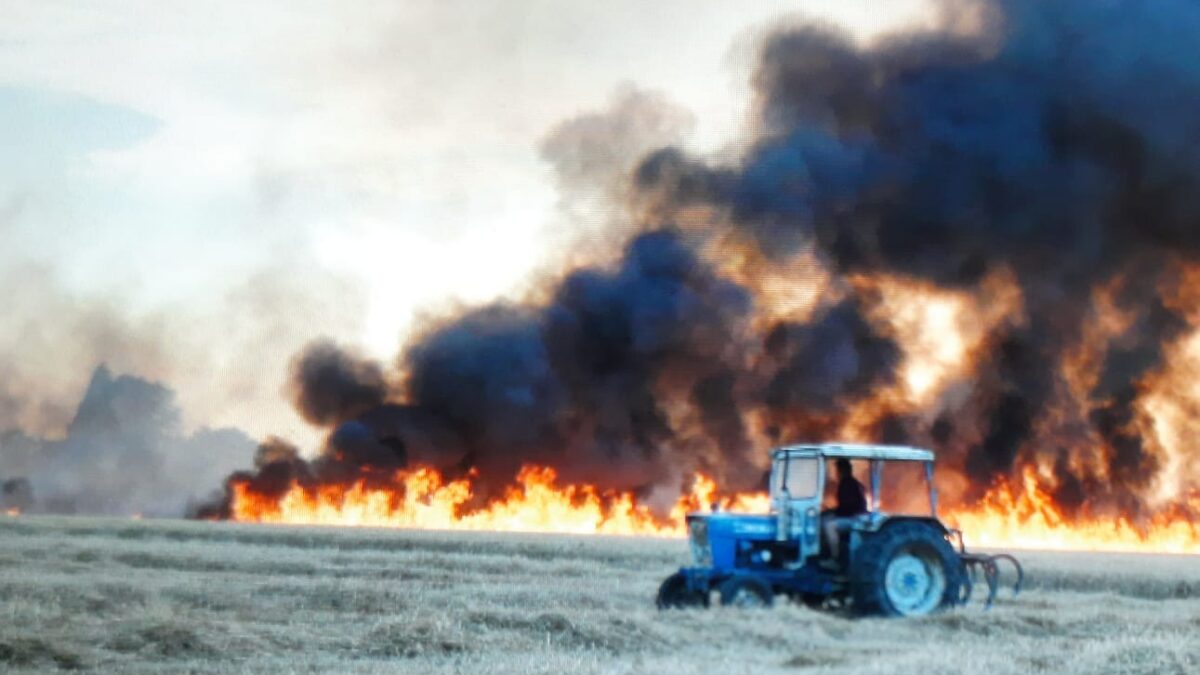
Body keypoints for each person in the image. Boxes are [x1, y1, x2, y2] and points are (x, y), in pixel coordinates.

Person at [822, 458, 868, 567]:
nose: (836, 473)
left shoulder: (849, 484)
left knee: (830, 526)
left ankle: (835, 558)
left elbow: (849, 507)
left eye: (838, 470)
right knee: (825, 518)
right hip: (851, 515)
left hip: (855, 518)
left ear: (843, 470)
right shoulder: (847, 483)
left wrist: (834, 512)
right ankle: (824, 551)